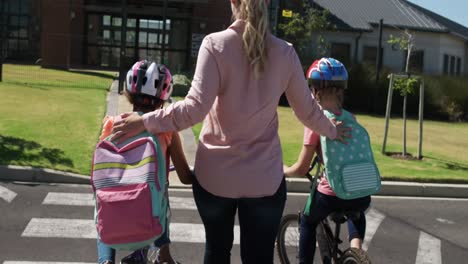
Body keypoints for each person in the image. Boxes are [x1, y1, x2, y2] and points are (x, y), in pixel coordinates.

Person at [109, 0, 351, 262]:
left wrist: (144, 121)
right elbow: (308, 112)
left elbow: (193, 109)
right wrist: (333, 130)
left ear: (233, 2)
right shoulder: (285, 53)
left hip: (215, 178)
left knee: (216, 251)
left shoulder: (215, 45)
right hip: (264, 181)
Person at [97, 60, 192, 264]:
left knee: (103, 215)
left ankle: (106, 260)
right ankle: (164, 257)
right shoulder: (166, 130)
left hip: (114, 207)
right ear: (163, 99)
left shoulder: (112, 124)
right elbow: (185, 177)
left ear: (129, 93)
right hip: (148, 214)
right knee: (161, 202)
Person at [283, 57, 371, 263]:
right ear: (342, 89)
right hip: (360, 190)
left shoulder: (316, 122)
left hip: (330, 194)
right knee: (356, 210)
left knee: (306, 221)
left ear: (315, 91)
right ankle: (355, 252)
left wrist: (284, 171)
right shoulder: (351, 118)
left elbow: (302, 166)